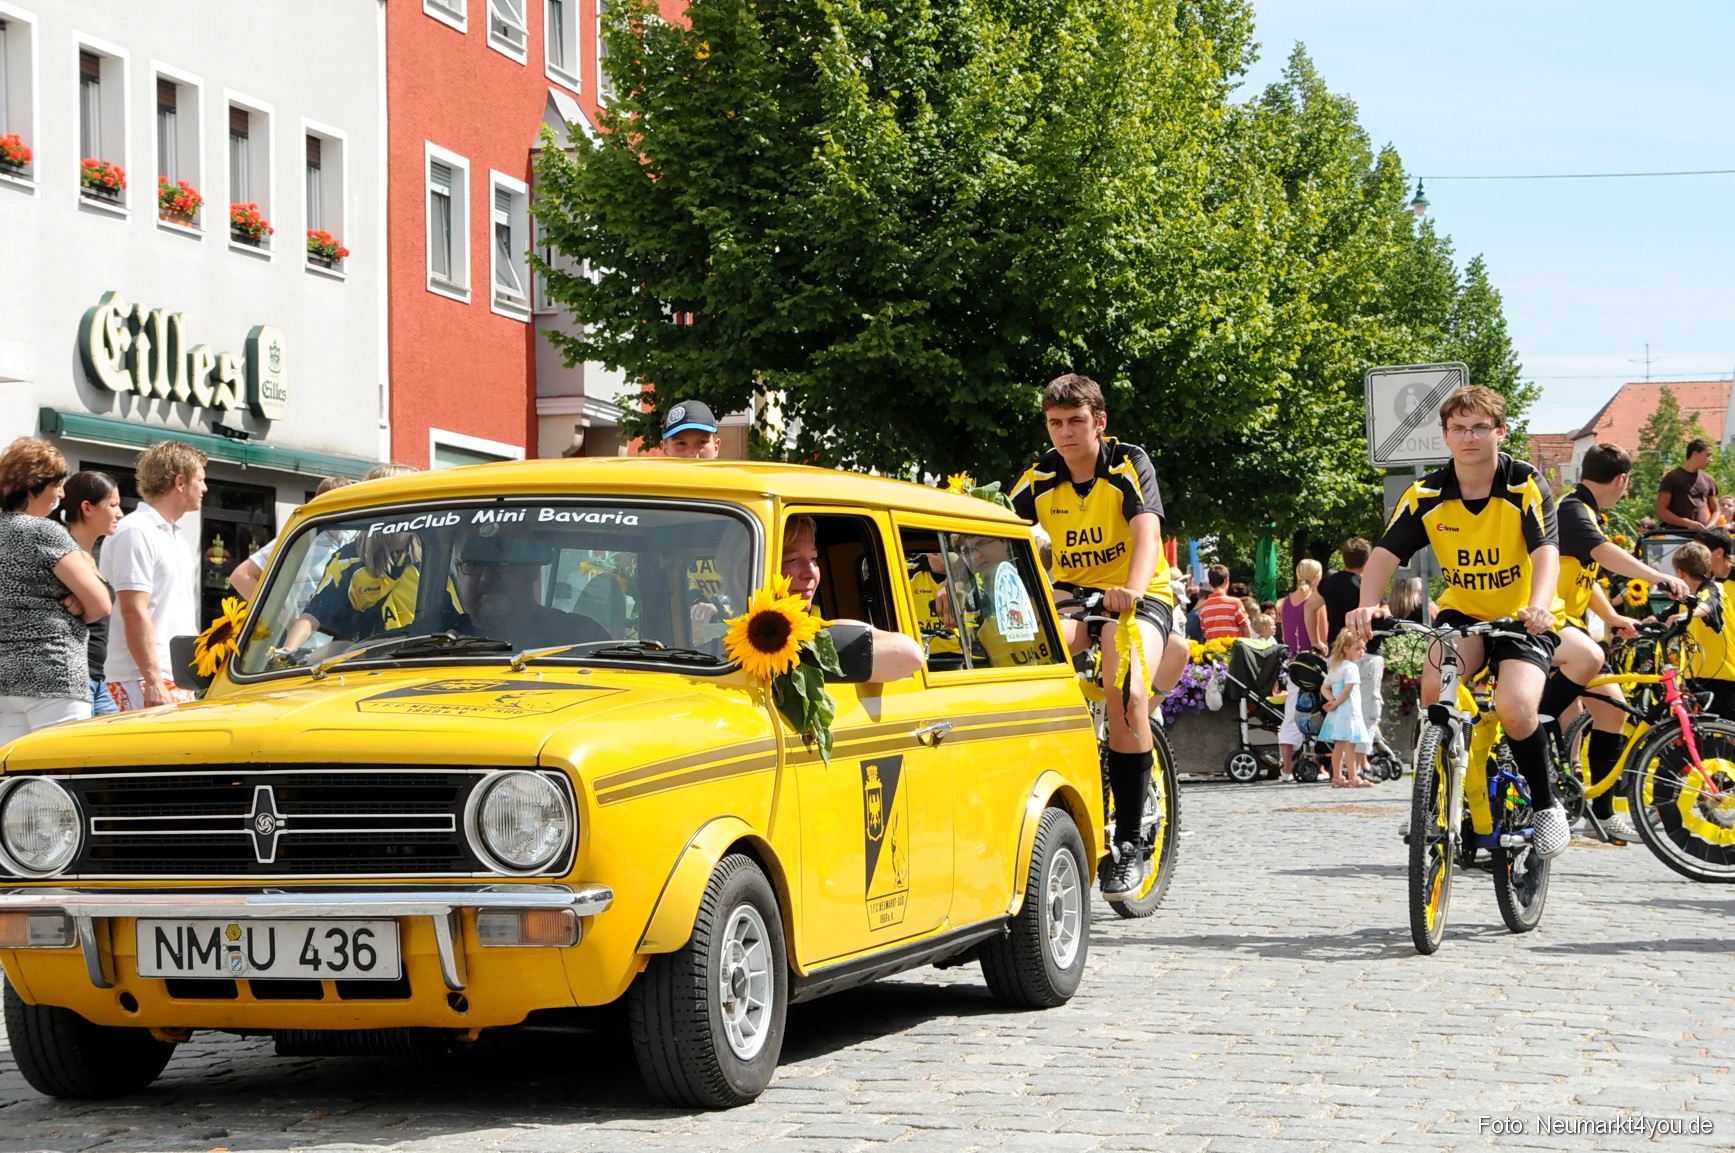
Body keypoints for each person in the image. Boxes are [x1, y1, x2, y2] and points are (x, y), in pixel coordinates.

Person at [1348, 385, 1570, 858]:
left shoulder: (1523, 483)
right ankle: (1451, 782)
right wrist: (1368, 603)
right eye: (1459, 429)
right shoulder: (1426, 492)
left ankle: (1548, 806)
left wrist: (1540, 605)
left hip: (1522, 617)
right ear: (1446, 437)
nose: (1469, 437)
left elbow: (1547, 551)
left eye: (1480, 427)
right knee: (1434, 689)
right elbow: (1386, 552)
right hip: (1463, 612)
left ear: (1499, 432)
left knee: (1515, 708)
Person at [1009, 373, 1180, 898]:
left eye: (1076, 422)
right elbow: (996, 538)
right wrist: (952, 576)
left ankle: (1131, 840)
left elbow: (1146, 531)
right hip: (1073, 596)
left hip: (1137, 596)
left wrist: (1130, 588)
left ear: (1099, 422)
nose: (1065, 433)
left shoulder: (1128, 463)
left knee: (1127, 691)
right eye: (1055, 423)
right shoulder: (1037, 477)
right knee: (1026, 655)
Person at [1534, 442, 1687, 840]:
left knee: (1614, 712)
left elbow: (1588, 574)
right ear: (1621, 480)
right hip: (1550, 630)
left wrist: (1614, 617)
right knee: (1556, 715)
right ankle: (1534, 732)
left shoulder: (1585, 512)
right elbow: (1603, 553)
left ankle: (1599, 812)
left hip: (1574, 630)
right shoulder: (1571, 509)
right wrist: (1659, 577)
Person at [0, 440, 112, 740]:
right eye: (58, 485)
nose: (62, 494)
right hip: (54, 675)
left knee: (12, 783)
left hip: (5, 682)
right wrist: (79, 603)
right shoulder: (45, 531)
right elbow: (101, 604)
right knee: (59, 779)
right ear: (33, 486)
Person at [100, 441, 206, 712]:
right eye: (200, 480)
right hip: (141, 680)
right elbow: (134, 610)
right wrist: (153, 681)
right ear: (180, 482)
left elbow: (179, 615)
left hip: (173, 677)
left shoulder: (174, 537)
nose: (204, 488)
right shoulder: (135, 531)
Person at [781, 515, 924, 682]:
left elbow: (911, 655)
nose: (811, 572)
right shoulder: (745, 634)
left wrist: (817, 644)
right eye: (792, 559)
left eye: (813, 558)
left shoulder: (820, 626)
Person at [1311, 538, 1387, 775]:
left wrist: (1316, 640)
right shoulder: (1365, 585)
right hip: (1365, 651)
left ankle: (1344, 764)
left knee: (1344, 710)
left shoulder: (1329, 583)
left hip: (1336, 653)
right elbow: (1385, 611)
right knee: (1367, 708)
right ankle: (1362, 763)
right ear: (1367, 560)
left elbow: (1309, 607)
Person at [59, 471, 125, 717]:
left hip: (97, 678)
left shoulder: (86, 556)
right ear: (87, 508)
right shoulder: (66, 557)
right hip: (76, 679)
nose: (119, 513)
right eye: (113, 505)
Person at [227, 476, 357, 600]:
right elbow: (241, 576)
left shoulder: (354, 538)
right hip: (306, 622)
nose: (346, 509)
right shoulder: (300, 539)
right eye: (339, 503)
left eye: (349, 503)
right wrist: (280, 617)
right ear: (321, 505)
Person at [1318, 628, 1372, 788]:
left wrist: (1332, 701)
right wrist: (1336, 702)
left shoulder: (1336, 667)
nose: (1361, 652)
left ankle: (1337, 776)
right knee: (1351, 744)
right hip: (1349, 711)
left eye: (1363, 648)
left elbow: (1324, 688)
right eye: (1358, 648)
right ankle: (1353, 776)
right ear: (1346, 649)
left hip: (1338, 712)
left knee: (1339, 745)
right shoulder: (1351, 668)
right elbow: (1348, 690)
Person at [1656, 438, 1719, 530]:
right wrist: (1687, 523)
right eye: (1708, 455)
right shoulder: (1671, 478)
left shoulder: (1708, 479)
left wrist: (1709, 528)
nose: (1711, 459)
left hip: (1701, 537)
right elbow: (1661, 511)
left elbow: (1716, 510)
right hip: (1676, 537)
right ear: (1695, 454)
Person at [1197, 564, 1250, 640]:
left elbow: (1205, 632)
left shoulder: (1203, 608)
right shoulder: (1235, 603)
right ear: (1226, 581)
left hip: (1213, 649)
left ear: (1210, 584)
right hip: (1233, 649)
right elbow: (1246, 626)